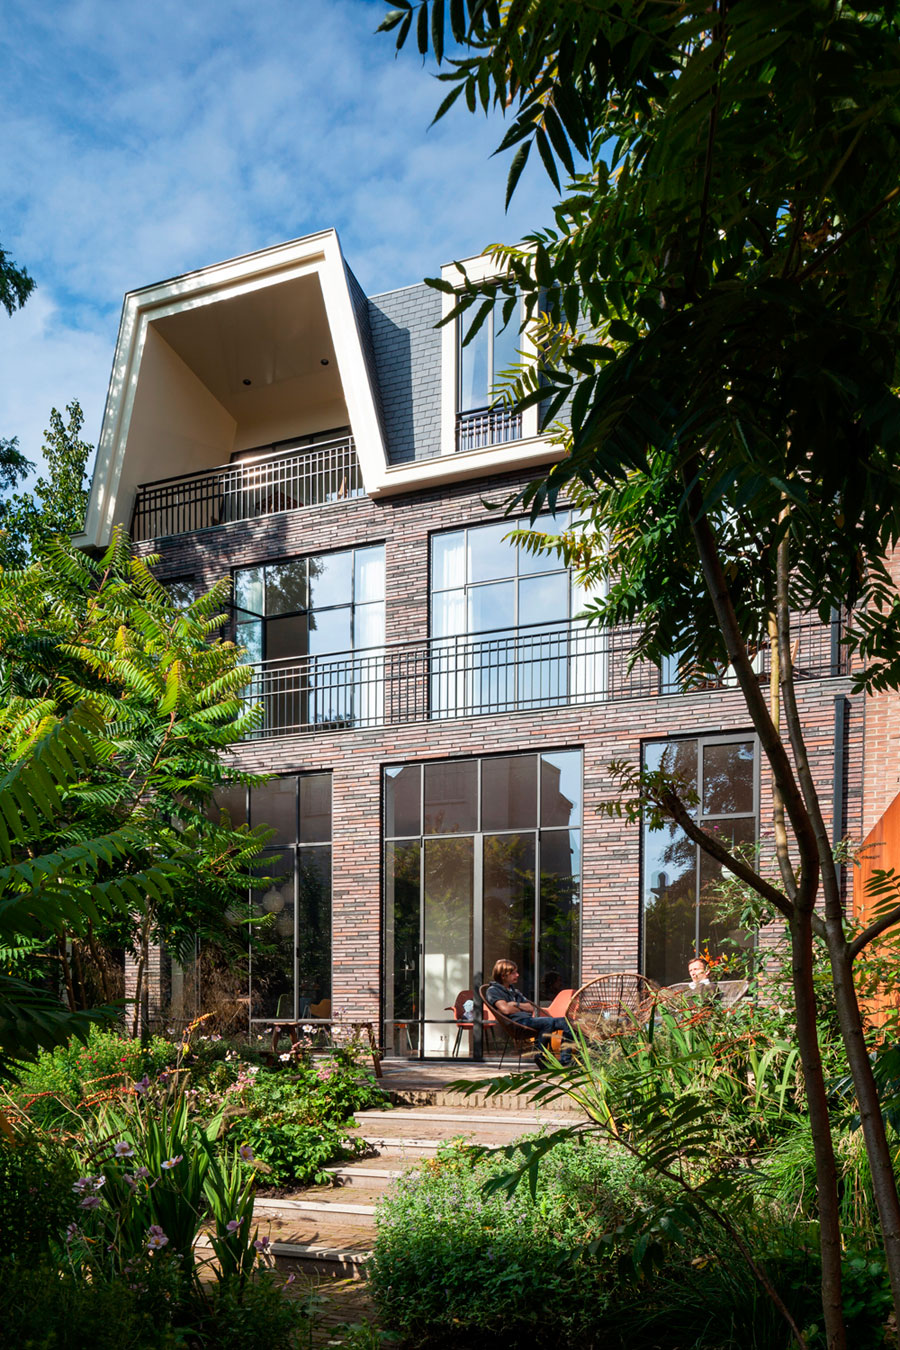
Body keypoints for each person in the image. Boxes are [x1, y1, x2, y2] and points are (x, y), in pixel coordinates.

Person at [485, 958, 577, 1066]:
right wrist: (517, 1008)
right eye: (513, 973)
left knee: (567, 1022)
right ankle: (539, 1056)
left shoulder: (514, 991)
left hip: (528, 1020)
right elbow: (506, 1010)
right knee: (548, 1022)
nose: (517, 975)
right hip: (518, 1023)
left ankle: (565, 1060)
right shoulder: (493, 991)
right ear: (503, 975)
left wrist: (515, 1004)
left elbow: (530, 1008)